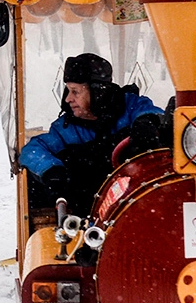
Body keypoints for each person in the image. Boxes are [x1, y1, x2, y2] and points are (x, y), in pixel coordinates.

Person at [20, 53, 163, 215]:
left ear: (98, 92)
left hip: (141, 200)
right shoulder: (66, 128)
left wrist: (147, 122)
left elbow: (153, 113)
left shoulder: (130, 106)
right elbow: (31, 151)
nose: (68, 99)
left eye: (75, 92)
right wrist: (51, 170)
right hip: (91, 212)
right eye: (67, 91)